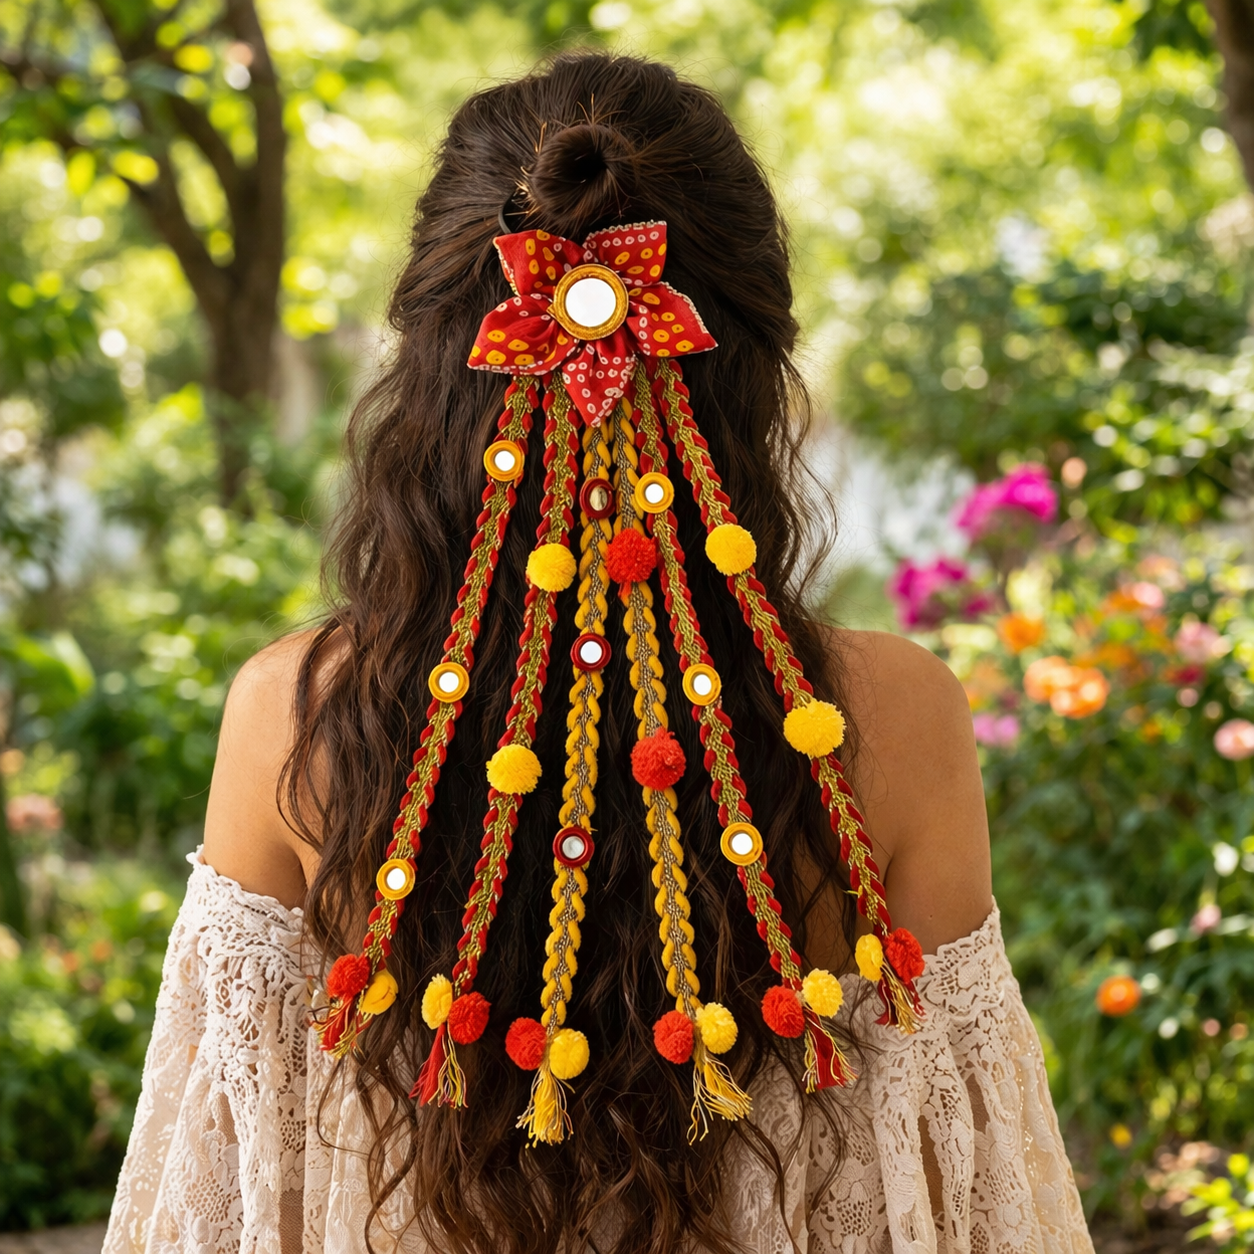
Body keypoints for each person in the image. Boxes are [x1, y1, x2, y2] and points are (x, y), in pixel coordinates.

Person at [103, 51, 1094, 1254]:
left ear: (427, 358)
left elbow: (221, 1210)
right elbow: (973, 1205)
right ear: (757, 370)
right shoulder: (892, 720)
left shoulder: (296, 717)